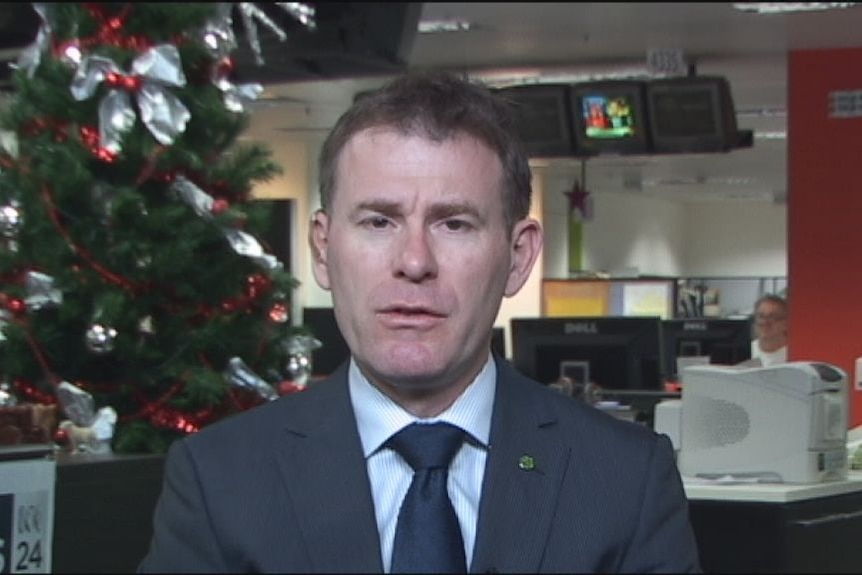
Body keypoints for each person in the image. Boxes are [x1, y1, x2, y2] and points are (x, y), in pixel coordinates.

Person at [138, 71, 701, 573]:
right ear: (323, 249)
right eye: (379, 221)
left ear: (519, 256)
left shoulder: (624, 479)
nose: (413, 262)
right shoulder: (219, 481)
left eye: (453, 224)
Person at [751, 293, 788, 367]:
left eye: (772, 317)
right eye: (761, 316)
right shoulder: (749, 350)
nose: (765, 322)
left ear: (785, 324)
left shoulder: (795, 353)